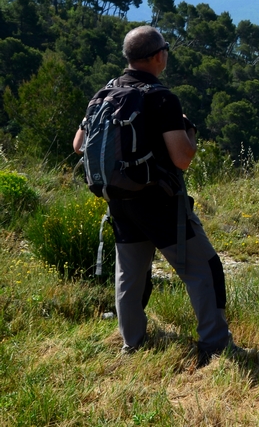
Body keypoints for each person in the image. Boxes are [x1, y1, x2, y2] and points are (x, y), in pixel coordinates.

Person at [73, 25, 233, 360]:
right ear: (158, 56)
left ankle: (132, 344)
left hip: (118, 201)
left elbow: (78, 146)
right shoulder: (162, 98)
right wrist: (188, 129)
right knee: (204, 268)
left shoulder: (104, 94)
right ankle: (214, 346)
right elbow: (182, 158)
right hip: (159, 203)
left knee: (129, 276)